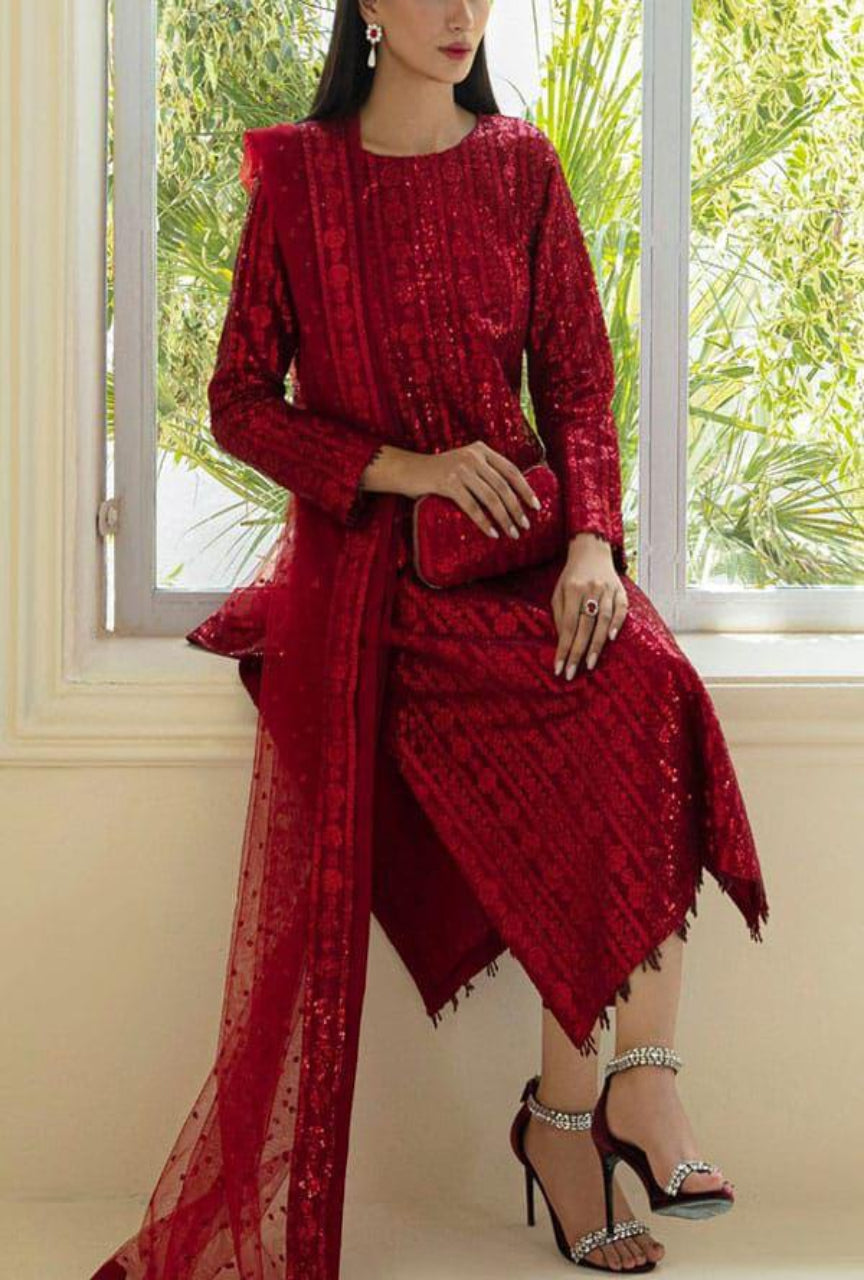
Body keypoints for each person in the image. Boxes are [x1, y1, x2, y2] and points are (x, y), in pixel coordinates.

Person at [90, 3, 769, 1277]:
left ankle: (618, 1091)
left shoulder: (522, 165)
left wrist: (590, 544)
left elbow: (579, 381)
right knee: (587, 733)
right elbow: (239, 401)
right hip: (385, 584)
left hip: (531, 553)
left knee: (649, 683)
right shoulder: (299, 179)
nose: (461, 14)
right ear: (365, 6)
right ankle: (572, 1127)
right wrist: (406, 466)